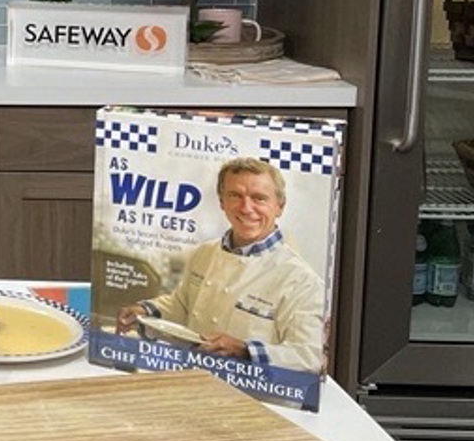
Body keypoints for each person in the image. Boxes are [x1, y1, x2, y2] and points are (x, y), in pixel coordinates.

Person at [116, 156, 326, 373]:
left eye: (259, 198)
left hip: (257, 397)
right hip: (194, 379)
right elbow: (183, 304)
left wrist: (245, 350)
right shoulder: (205, 253)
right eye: (235, 195)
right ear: (222, 202)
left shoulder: (303, 281)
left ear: (279, 206)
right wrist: (145, 311)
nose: (246, 208)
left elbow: (309, 356)